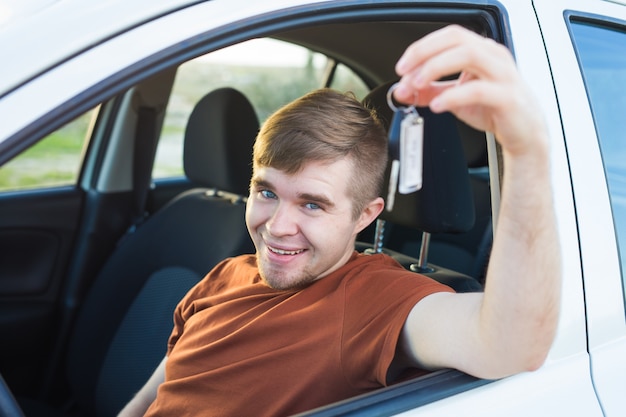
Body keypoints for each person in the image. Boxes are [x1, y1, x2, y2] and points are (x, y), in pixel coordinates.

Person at [119, 25, 561, 416]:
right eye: (267, 192)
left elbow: (510, 344)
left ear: (364, 216)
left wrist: (526, 152)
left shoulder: (374, 299)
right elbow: (159, 392)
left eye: (312, 204)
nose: (277, 226)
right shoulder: (225, 275)